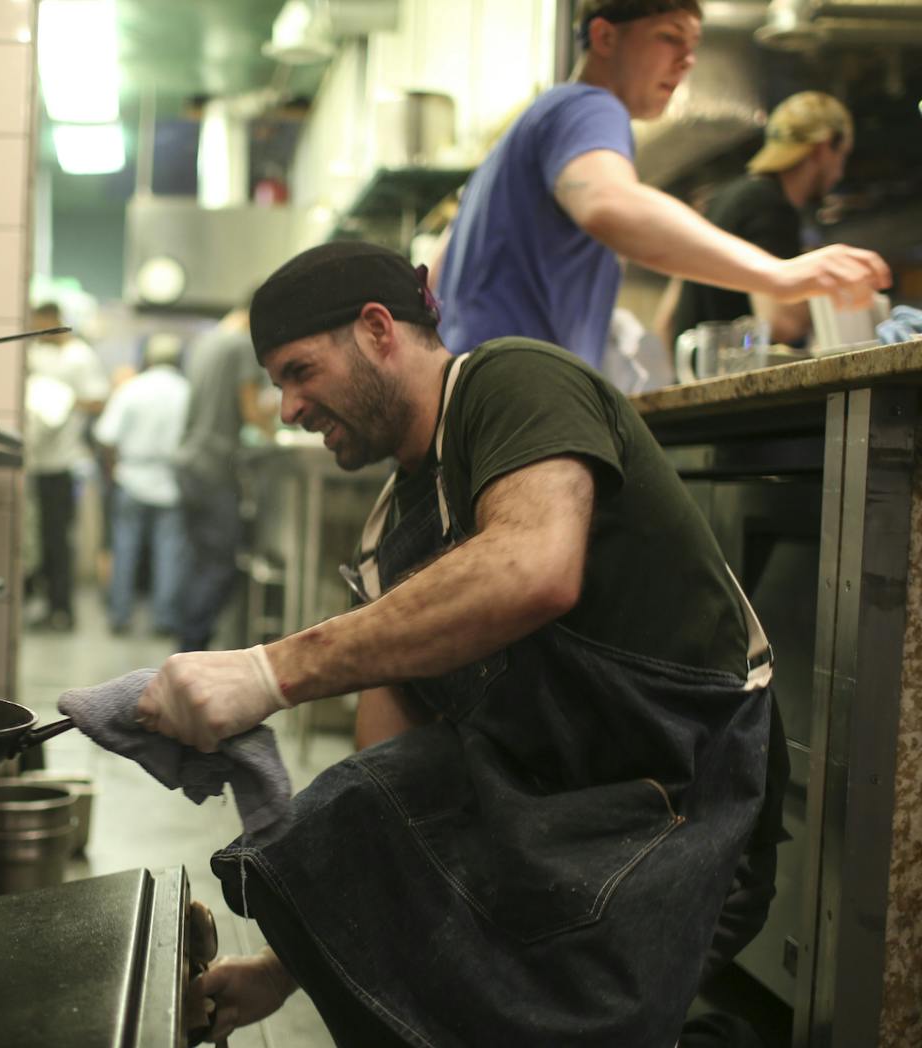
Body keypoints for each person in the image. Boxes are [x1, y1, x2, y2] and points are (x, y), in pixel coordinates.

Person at [123, 242, 780, 1046]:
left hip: (683, 798)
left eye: (298, 371)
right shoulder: (387, 534)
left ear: (376, 330)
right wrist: (283, 969)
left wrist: (268, 672)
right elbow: (392, 806)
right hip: (544, 810)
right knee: (362, 815)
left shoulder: (513, 382)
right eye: (277, 384)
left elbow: (533, 565)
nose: (288, 407)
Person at [431, 0, 889, 369]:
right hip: (516, 397)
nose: (687, 61)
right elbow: (609, 204)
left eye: (692, 45)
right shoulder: (587, 107)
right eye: (669, 37)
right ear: (605, 35)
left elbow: (434, 277)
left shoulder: (519, 139)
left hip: (471, 393)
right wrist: (782, 275)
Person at [665, 91, 855, 348]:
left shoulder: (719, 200)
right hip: (735, 383)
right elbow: (782, 322)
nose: (840, 172)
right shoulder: (769, 206)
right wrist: (836, 294)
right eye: (841, 156)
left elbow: (666, 320)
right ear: (822, 148)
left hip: (697, 379)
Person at [172, 301, 274, 652]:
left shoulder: (206, 341)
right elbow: (249, 409)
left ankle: (187, 642)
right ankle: (193, 648)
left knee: (200, 561)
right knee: (219, 566)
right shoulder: (241, 344)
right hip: (215, 466)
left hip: (189, 462)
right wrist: (275, 424)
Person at [92, 333, 191, 636]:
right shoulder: (188, 391)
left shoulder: (132, 389)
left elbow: (106, 436)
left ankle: (120, 616)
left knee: (125, 548)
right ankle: (165, 619)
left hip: (131, 476)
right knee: (169, 551)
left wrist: (113, 470)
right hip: (172, 481)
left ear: (148, 358)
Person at [23, 303, 109, 632]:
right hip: (36, 460)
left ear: (55, 321)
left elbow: (98, 399)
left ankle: (63, 610)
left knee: (58, 540)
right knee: (40, 541)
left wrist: (63, 400)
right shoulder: (35, 353)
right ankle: (46, 604)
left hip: (63, 462)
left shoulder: (79, 356)